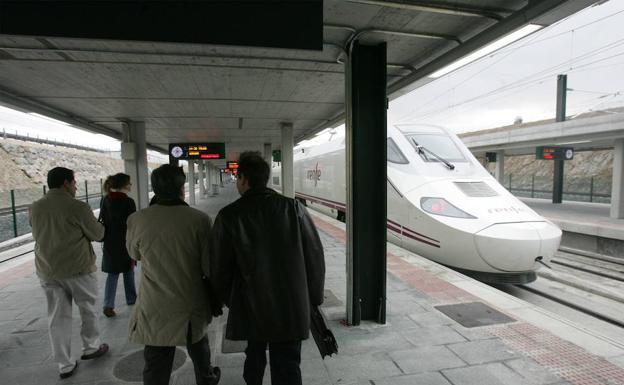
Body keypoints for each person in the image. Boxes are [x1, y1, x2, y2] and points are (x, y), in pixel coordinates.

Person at [211, 151, 326, 385]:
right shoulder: (293, 208)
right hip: (291, 303)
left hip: (251, 304)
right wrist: (312, 298)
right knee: (288, 364)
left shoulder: (229, 216)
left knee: (253, 355)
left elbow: (218, 268)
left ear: (243, 179)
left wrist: (229, 300)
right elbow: (315, 256)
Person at [126, 164, 221, 385]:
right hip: (189, 299)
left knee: (156, 358)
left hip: (154, 302)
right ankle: (207, 378)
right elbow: (208, 266)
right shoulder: (199, 219)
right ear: (182, 187)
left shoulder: (137, 219)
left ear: (154, 189)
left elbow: (134, 255)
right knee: (198, 346)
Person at [29, 167, 109, 379]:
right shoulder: (77, 207)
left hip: (47, 270)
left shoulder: (35, 207)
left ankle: (64, 364)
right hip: (78, 268)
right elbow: (98, 234)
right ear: (66, 183)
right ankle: (91, 347)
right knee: (88, 308)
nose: (75, 187)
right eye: (74, 183)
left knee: (57, 317)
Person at [99, 173, 137, 317]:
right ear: (123, 185)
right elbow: (132, 224)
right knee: (129, 271)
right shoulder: (129, 202)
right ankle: (132, 299)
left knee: (112, 274)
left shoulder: (105, 200)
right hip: (126, 241)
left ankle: (108, 304)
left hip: (110, 242)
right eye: (129, 183)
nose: (131, 185)